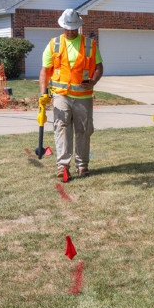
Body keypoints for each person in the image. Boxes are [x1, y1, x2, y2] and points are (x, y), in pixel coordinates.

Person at [40, 9, 103, 180]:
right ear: (62, 26)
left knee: (83, 131)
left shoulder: (90, 44)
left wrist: (93, 81)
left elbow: (99, 68)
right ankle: (62, 166)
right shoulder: (54, 44)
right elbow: (45, 71)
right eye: (67, 28)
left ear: (79, 27)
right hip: (61, 96)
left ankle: (82, 165)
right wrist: (43, 93)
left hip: (83, 96)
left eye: (74, 28)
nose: (70, 31)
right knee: (61, 128)